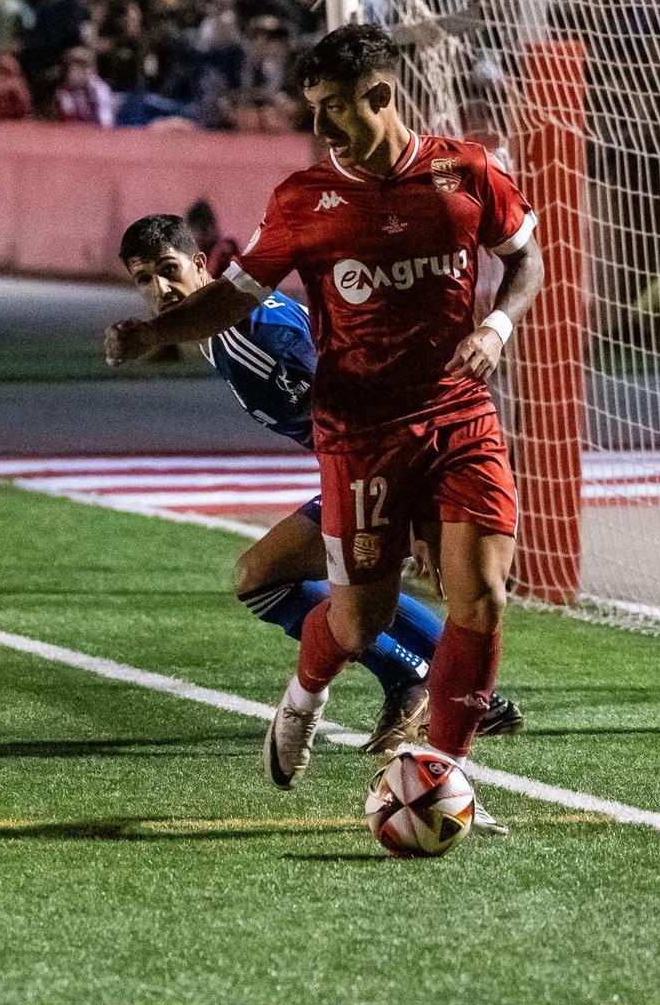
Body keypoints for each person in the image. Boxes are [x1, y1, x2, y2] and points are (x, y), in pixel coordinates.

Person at [105, 24, 544, 833]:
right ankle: (305, 699)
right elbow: (235, 292)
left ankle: (446, 773)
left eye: (335, 107)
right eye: (314, 109)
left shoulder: (467, 171)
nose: (322, 126)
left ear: (381, 96)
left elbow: (526, 257)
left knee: (480, 594)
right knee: (356, 617)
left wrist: (496, 329)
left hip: (457, 413)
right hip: (364, 437)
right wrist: (155, 333)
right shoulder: (304, 199)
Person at [115, 213, 525, 755]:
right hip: (366, 468)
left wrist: (420, 506)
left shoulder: (261, 334)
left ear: (198, 264)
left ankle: (420, 681)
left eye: (169, 271)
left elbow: (364, 408)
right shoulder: (221, 334)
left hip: (394, 464)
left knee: (263, 578)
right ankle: (456, 686)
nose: (160, 290)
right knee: (318, 583)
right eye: (144, 280)